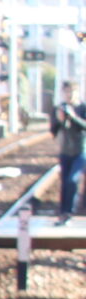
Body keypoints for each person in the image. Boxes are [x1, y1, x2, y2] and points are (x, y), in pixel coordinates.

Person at [58, 82, 86, 224]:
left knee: (72, 180)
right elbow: (54, 130)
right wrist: (60, 120)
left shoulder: (82, 107)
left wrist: (73, 117)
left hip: (81, 150)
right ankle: (64, 212)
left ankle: (71, 211)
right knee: (64, 183)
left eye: (72, 92)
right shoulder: (60, 108)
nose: (69, 95)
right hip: (65, 151)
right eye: (66, 92)